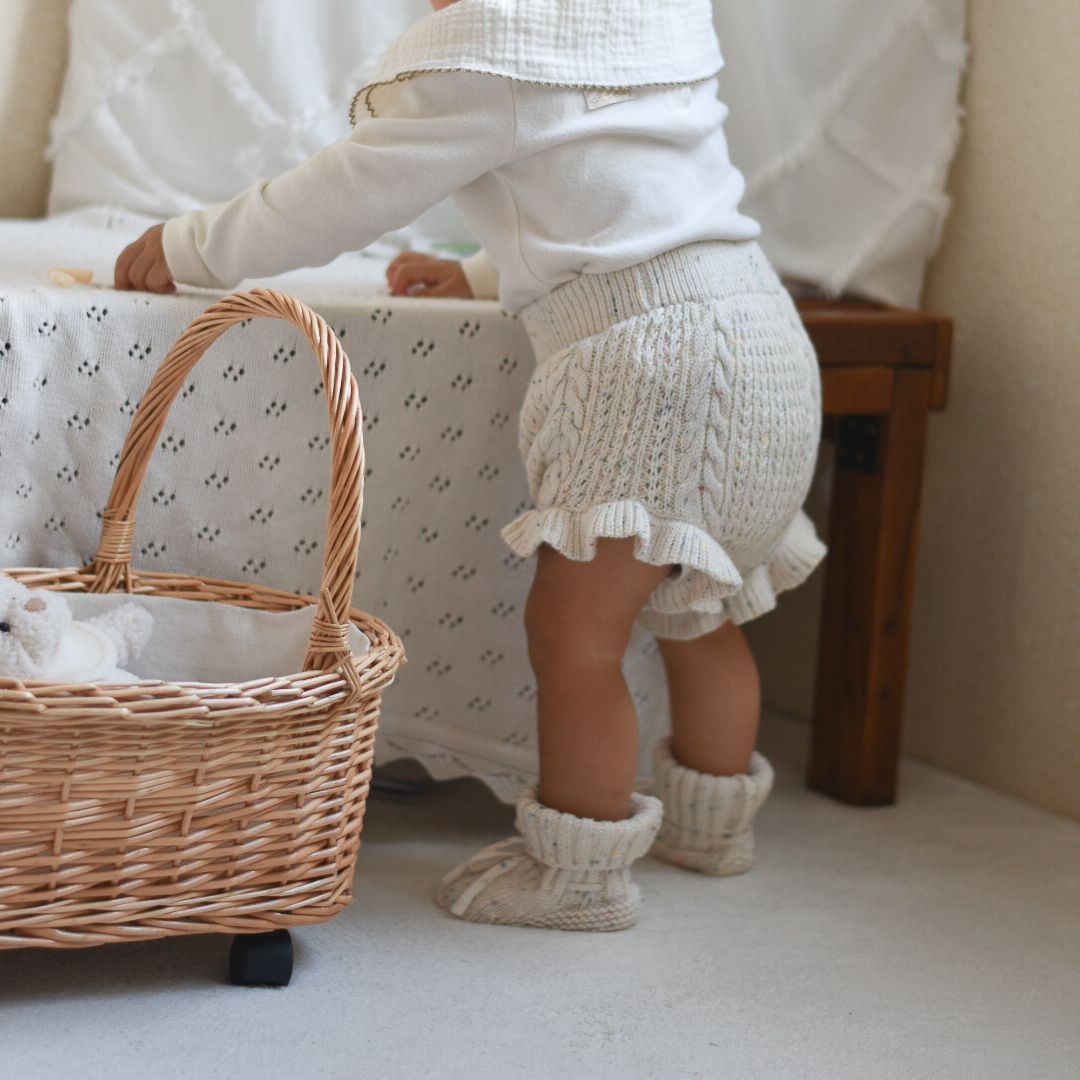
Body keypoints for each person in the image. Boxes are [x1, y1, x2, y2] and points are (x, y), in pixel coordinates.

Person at [115, 0, 826, 933]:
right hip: (763, 339)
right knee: (702, 609)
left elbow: (342, 192)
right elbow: (626, 205)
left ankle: (578, 873)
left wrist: (189, 245)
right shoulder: (638, 28)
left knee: (577, 637)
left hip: (653, 366)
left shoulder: (495, 56)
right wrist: (485, 276)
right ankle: (711, 827)